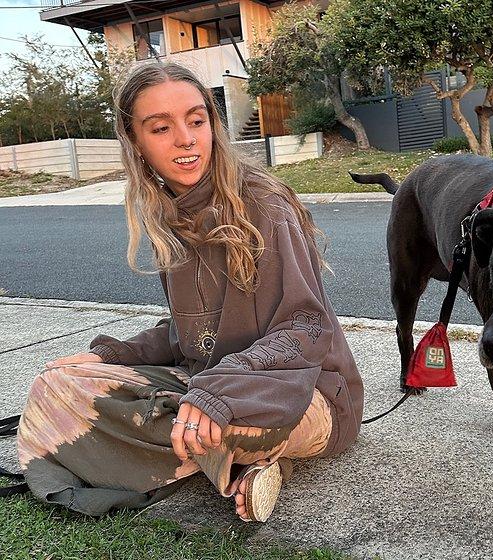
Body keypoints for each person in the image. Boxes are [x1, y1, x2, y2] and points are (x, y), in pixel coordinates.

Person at [15, 62, 364, 523]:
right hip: (210, 386)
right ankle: (236, 461)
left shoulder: (262, 204)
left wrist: (217, 392)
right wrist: (111, 356)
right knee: (54, 387)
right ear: (134, 141)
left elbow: (306, 328)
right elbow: (190, 333)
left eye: (197, 121)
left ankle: (224, 447)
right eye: (161, 127)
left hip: (301, 396)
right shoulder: (172, 216)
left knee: (179, 418)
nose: (186, 139)